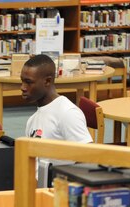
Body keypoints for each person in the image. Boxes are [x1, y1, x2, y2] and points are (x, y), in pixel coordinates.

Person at [20, 54, 92, 184]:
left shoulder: (67, 113)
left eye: (29, 82)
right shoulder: (32, 120)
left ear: (47, 81)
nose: (23, 87)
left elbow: (88, 157)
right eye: (22, 81)